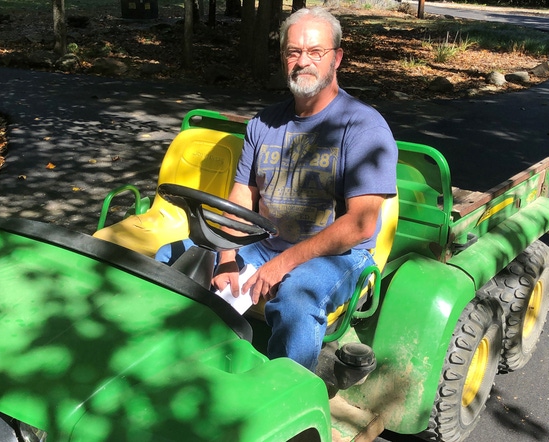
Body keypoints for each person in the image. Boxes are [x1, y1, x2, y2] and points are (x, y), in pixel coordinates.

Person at [163, 7, 398, 371]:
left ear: (337, 57)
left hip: (338, 256)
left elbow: (361, 225)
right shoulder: (263, 123)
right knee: (169, 256)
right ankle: (174, 367)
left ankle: (289, 394)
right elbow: (243, 196)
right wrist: (225, 256)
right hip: (264, 243)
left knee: (297, 299)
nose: (303, 61)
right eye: (293, 52)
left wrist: (281, 265)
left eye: (315, 52)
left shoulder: (364, 127)